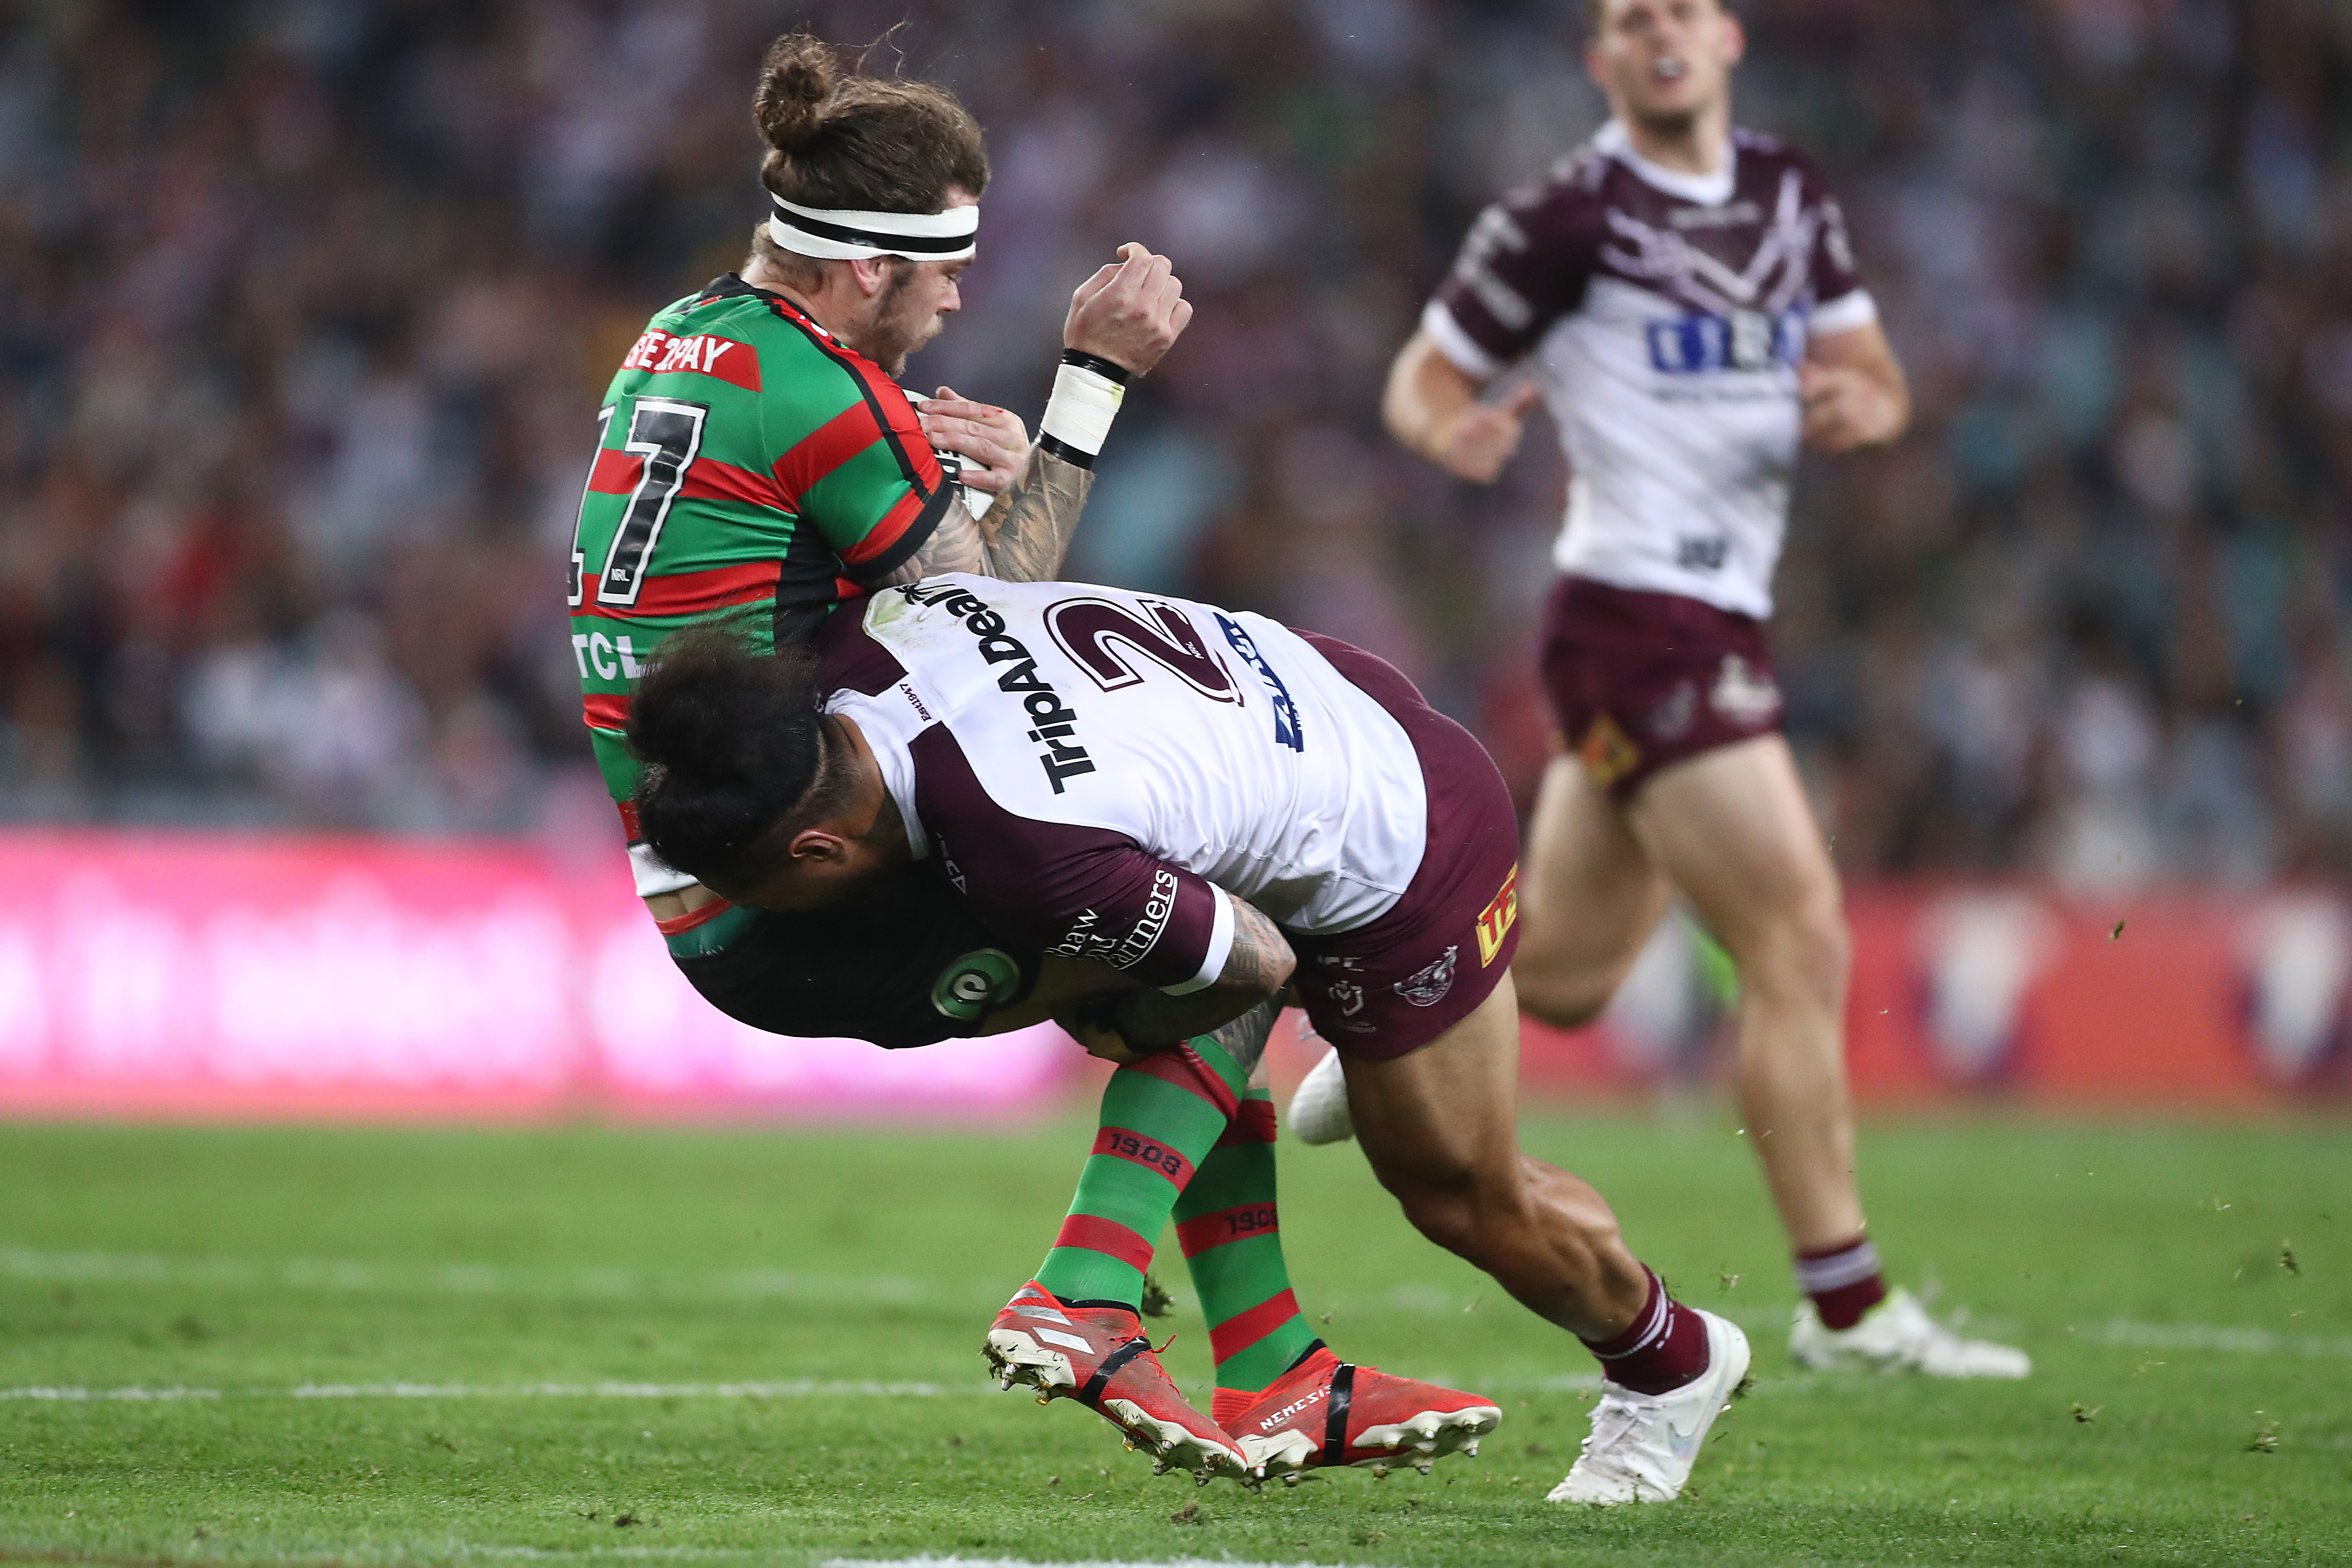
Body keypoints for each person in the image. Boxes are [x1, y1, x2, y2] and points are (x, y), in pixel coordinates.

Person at [622, 574, 1758, 1505]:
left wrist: (1341, 1016)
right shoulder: (858, 642)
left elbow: (1257, 965)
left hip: (1404, 838)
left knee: (1457, 1191)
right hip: (1304, 682)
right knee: (1143, 962)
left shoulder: (1025, 854)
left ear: (816, 851)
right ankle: (1265, 1352)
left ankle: (1669, 1362)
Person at [1370, 0, 2027, 1379]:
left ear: (1725, 37)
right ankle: (1847, 1307)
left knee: (1554, 973)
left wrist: (1867, 407)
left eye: (1680, 10)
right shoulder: (1567, 214)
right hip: (1635, 612)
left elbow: (1874, 374)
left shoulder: (1789, 193)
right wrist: (1459, 428)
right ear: (1598, 58)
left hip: (1717, 607)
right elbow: (1420, 381)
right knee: (1796, 929)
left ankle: (1382, 996)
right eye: (1627, 18)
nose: (1658, 32)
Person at [564, 30, 1188, 1044]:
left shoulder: (679, 331)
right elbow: (987, 620)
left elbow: (797, 576)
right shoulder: (829, 394)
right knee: (1213, 964)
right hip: (789, 894)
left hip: (703, 865)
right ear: (864, 266)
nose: (955, 293)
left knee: (1161, 991)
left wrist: (974, 496)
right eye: (944, 266)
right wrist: (1087, 395)